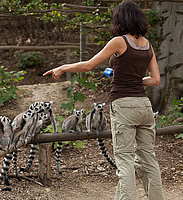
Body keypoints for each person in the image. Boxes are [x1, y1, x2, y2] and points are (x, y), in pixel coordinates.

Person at [43, 0, 164, 199]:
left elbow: (89, 65)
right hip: (143, 105)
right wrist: (133, 80)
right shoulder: (147, 45)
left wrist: (63, 67)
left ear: (120, 20)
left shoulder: (119, 41)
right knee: (148, 160)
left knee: (124, 160)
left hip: (124, 105)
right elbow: (155, 80)